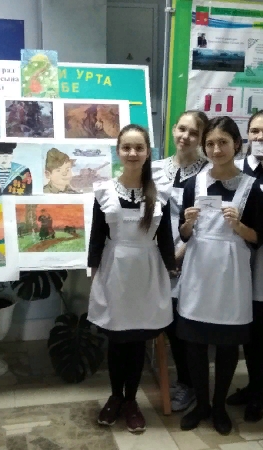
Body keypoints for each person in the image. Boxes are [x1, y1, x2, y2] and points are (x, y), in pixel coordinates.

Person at [177, 116, 263, 436]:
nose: (216, 149)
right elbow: (184, 235)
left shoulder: (250, 188)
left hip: (231, 275)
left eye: (223, 143)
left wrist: (238, 226)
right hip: (198, 272)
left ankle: (218, 407)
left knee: (227, 345)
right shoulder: (194, 184)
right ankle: (201, 404)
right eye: (211, 144)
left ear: (237, 145)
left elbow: (259, 238)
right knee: (195, 344)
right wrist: (187, 224)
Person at [89, 124, 176, 434]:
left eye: (139, 147)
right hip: (114, 272)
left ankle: (131, 401)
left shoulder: (160, 193)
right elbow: (97, 236)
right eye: (126, 147)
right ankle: (115, 397)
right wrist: (93, 274)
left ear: (148, 152)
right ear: (118, 151)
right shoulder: (104, 191)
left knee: (138, 340)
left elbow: (165, 237)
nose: (132, 153)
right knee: (117, 338)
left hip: (147, 272)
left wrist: (171, 268)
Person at [226, 109, 263, 422]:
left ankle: (259, 390)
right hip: (237, 248)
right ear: (247, 135)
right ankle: (252, 384)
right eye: (255, 131)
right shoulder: (235, 168)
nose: (261, 137)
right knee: (245, 323)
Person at [151, 109, 209, 413]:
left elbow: (205, 222)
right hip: (157, 255)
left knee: (187, 324)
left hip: (191, 255)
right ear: (174, 129)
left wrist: (178, 255)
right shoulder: (155, 168)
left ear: (202, 138)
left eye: (194, 133)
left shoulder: (209, 172)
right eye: (182, 129)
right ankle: (184, 380)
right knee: (170, 322)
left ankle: (191, 384)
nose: (185, 137)